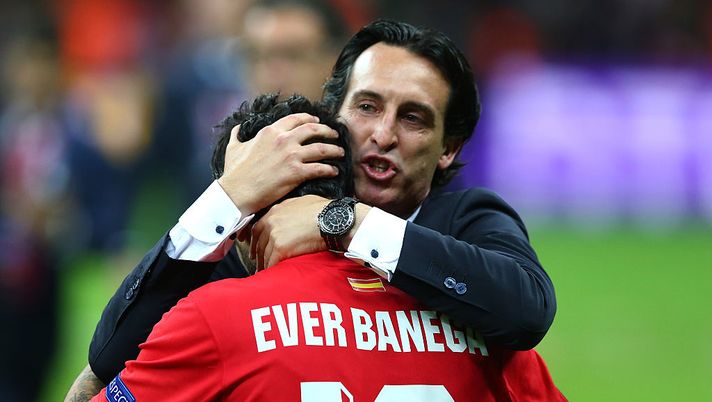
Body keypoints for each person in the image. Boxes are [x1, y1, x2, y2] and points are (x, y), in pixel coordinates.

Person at [79, 19, 558, 388]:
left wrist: (343, 222)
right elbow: (109, 355)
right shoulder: (263, 229)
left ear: (448, 148)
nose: (383, 134)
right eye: (367, 107)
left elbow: (526, 310)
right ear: (335, 115)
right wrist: (228, 196)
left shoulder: (463, 219)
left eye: (412, 118)